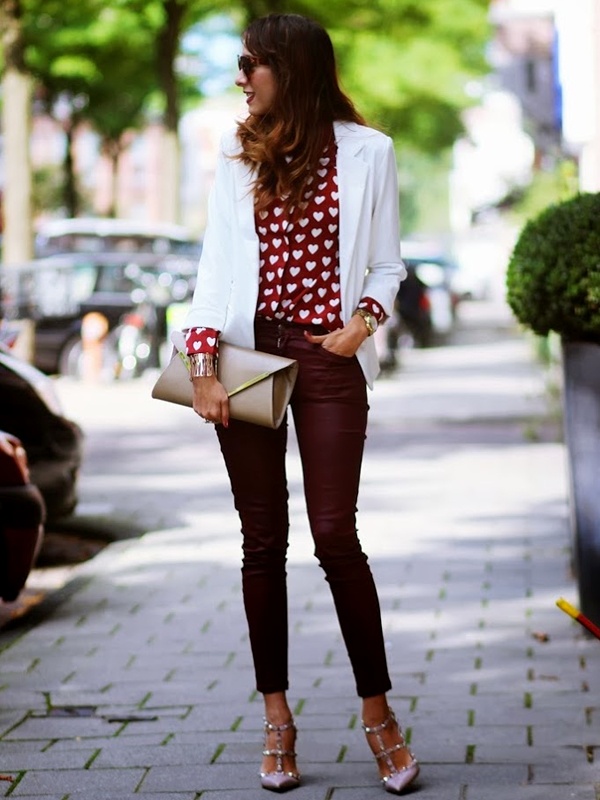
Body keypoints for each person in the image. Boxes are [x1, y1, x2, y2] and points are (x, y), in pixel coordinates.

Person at [182, 13, 419, 795]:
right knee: (261, 540)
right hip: (248, 356)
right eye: (240, 62)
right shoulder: (234, 150)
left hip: (327, 356)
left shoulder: (369, 153)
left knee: (334, 535)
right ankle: (277, 719)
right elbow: (215, 265)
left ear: (295, 68)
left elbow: (387, 262)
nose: (242, 76)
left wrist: (362, 324)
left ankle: (379, 715)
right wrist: (202, 365)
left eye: (254, 63)